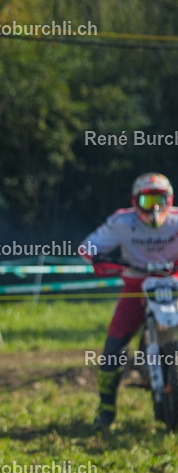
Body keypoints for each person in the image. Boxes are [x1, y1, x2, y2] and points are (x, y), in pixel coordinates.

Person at [82, 172, 178, 432]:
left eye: (159, 201)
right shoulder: (121, 222)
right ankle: (106, 410)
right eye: (148, 202)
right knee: (113, 349)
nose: (154, 208)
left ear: (169, 200)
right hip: (136, 287)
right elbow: (88, 247)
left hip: (174, 284)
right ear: (136, 201)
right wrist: (101, 261)